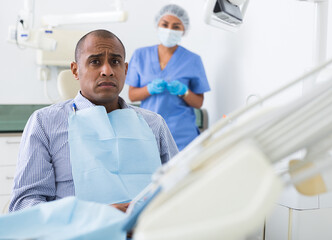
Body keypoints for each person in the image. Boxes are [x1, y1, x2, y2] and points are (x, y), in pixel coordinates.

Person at [9, 29, 178, 213]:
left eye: (115, 62)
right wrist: (92, 216)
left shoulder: (154, 124)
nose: (107, 71)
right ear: (75, 70)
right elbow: (24, 204)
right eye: (95, 62)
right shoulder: (45, 123)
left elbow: (180, 186)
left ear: (125, 69)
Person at [126, 4, 211, 151]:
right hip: (149, 129)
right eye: (165, 25)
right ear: (157, 25)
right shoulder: (141, 55)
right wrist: (149, 89)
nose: (169, 30)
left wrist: (184, 91)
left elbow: (198, 103)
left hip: (182, 133)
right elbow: (132, 95)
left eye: (176, 26)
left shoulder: (192, 60)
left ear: (183, 30)